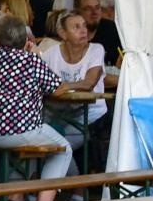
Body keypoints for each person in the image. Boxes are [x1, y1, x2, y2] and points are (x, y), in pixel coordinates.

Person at [0, 16, 74, 201]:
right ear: (26, 40)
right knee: (63, 149)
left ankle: (15, 198)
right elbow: (57, 88)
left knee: (30, 148)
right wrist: (35, 55)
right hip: (17, 130)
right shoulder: (31, 60)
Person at [40, 10, 110, 163]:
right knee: (47, 145)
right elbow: (38, 80)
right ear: (63, 33)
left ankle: (67, 185)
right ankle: (73, 183)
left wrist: (63, 86)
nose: (83, 30)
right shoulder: (51, 54)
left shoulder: (96, 50)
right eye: (76, 27)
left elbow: (89, 83)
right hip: (60, 114)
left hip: (90, 117)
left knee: (55, 147)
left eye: (84, 26)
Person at [75, 0, 122, 65]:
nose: (95, 12)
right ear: (77, 12)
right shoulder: (70, 35)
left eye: (97, 8)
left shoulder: (113, 30)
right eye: (88, 9)